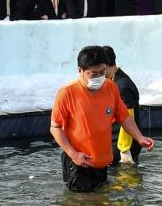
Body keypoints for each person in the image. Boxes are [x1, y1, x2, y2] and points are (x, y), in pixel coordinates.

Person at [50, 44, 153, 192]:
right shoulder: (67, 93)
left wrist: (139, 137)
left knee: (102, 202)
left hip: (102, 163)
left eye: (102, 72)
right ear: (80, 71)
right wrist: (73, 154)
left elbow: (124, 116)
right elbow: (55, 127)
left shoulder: (111, 87)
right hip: (78, 163)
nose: (99, 77)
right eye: (93, 73)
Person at [102, 44, 141, 164]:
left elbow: (128, 116)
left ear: (104, 65)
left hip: (122, 145)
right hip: (114, 140)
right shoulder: (112, 81)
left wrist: (124, 150)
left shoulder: (122, 86)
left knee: (124, 179)